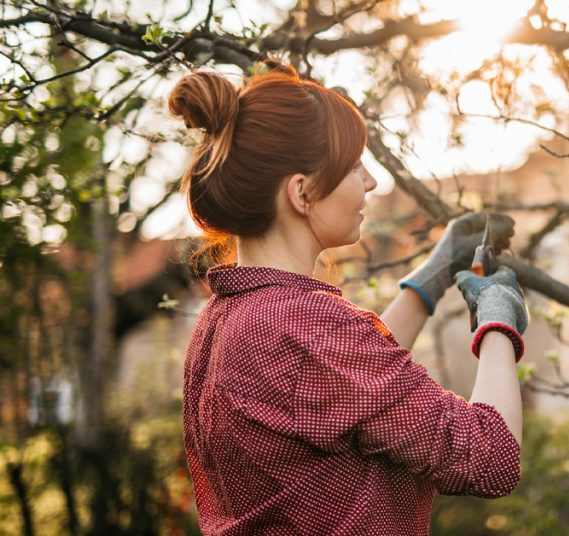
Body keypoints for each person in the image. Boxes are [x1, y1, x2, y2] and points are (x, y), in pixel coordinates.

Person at [169, 60, 529, 535]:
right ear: (303, 192)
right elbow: (488, 456)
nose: (370, 181)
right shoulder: (307, 325)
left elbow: (348, 391)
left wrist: (434, 276)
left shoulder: (227, 318)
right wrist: (498, 322)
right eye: (354, 165)